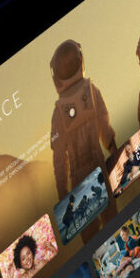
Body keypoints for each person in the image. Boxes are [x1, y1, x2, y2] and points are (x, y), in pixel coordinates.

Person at [49, 39, 117, 197]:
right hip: (78, 177)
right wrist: (61, 188)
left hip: (98, 165)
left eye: (72, 61)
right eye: (65, 65)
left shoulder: (90, 90)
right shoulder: (59, 111)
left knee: (110, 213)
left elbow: (104, 125)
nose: (70, 66)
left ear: (80, 60)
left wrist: (114, 149)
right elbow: (59, 155)